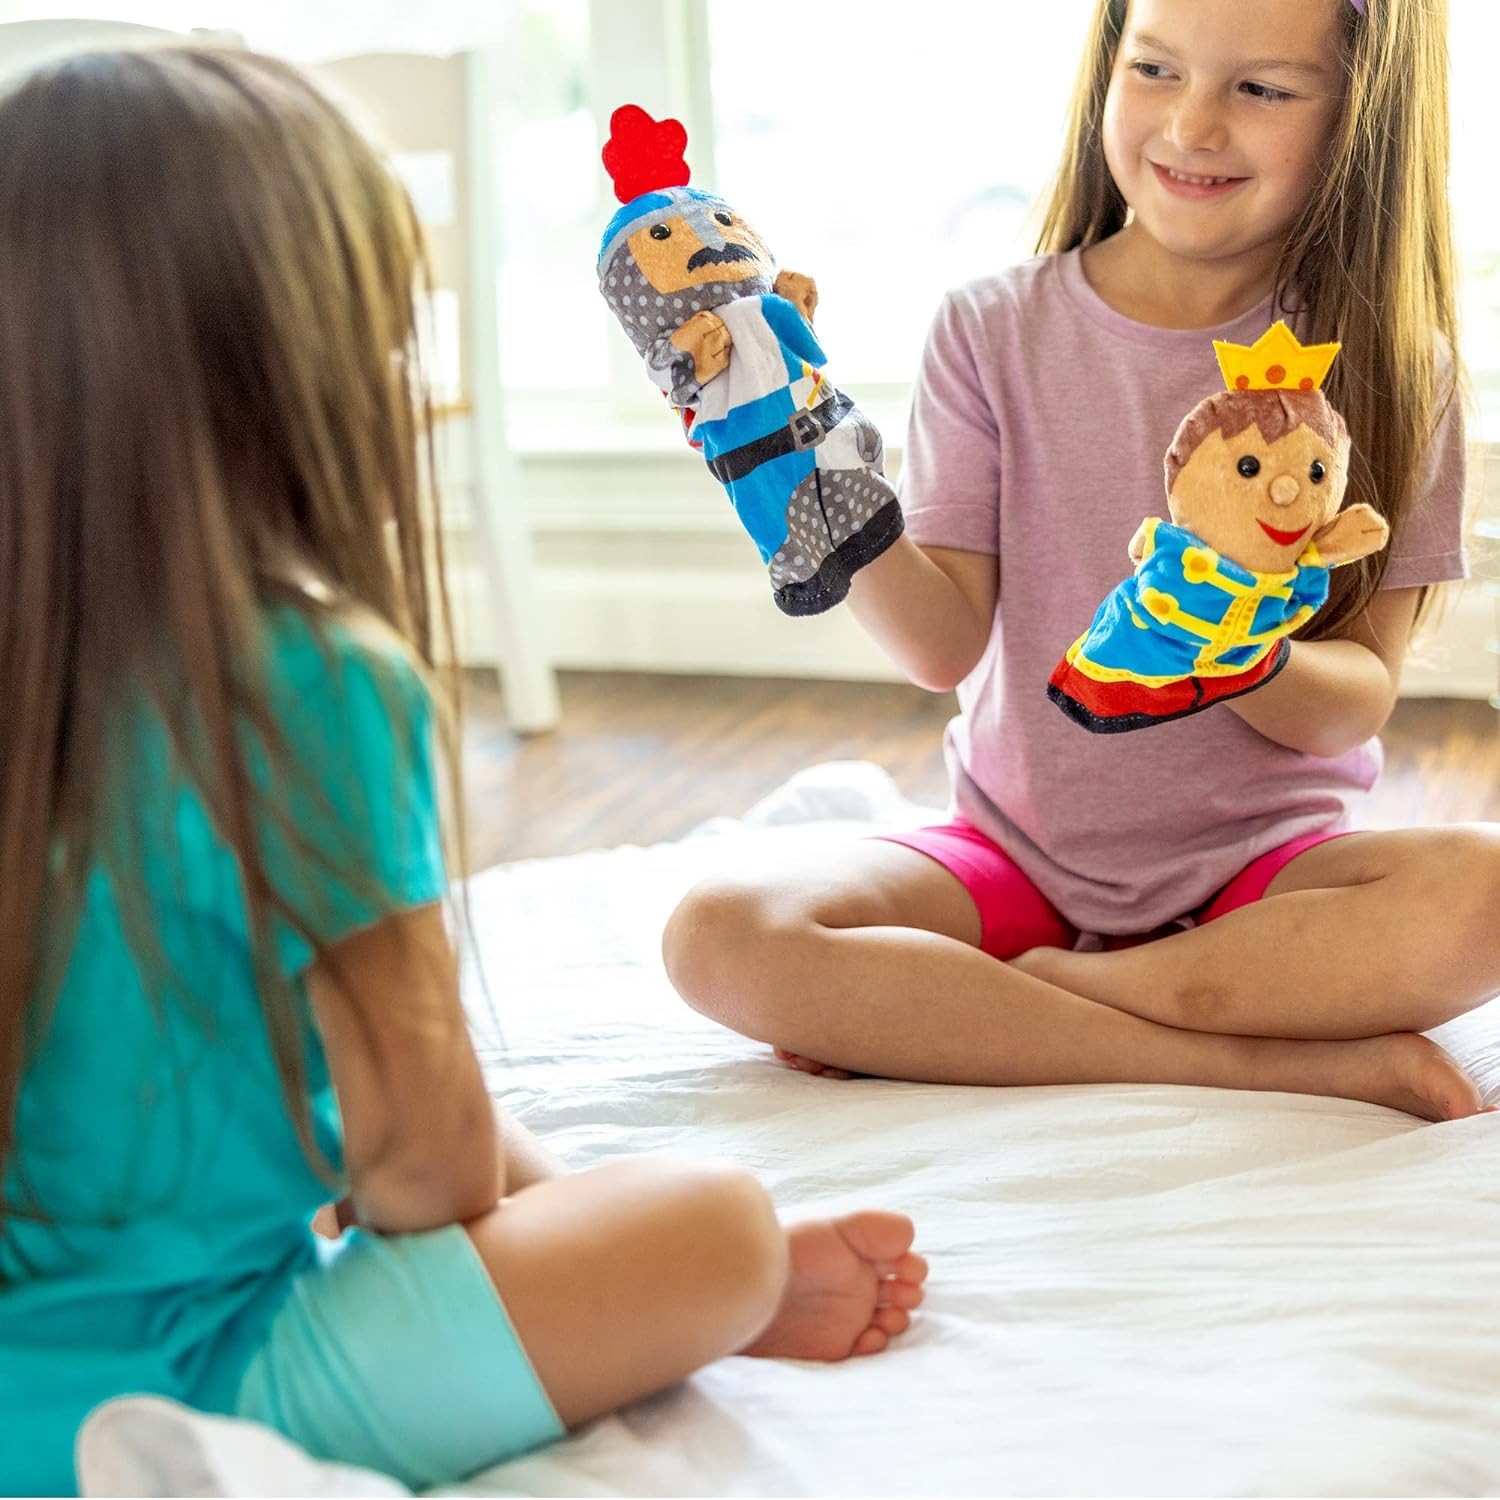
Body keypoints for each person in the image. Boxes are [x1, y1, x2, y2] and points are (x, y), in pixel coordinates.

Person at [0, 47, 926, 1498]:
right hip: (181, 1380)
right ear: (297, 375)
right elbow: (427, 1174)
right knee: (717, 1228)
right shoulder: (304, 685)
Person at [664, 0, 1500, 1121]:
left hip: (1265, 876)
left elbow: (1353, 704)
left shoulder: (1398, 369)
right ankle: (1261, 1059)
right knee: (719, 935)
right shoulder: (989, 329)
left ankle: (1031, 1003)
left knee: (1488, 895)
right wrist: (799, 474)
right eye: (1154, 68)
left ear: (1359, 119)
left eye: (1260, 89)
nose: (1191, 126)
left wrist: (1230, 641)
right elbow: (940, 646)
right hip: (1014, 862)